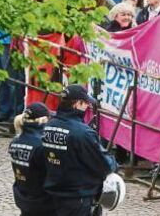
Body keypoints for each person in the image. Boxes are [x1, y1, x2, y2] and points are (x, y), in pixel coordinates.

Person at [43, 85, 118, 215]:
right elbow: (103, 163)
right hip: (77, 197)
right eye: (85, 103)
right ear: (77, 104)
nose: (87, 107)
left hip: (52, 194)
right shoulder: (82, 133)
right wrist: (113, 163)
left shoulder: (48, 126)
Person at [8, 102, 56, 216]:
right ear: (42, 121)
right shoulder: (41, 146)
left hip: (24, 199)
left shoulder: (15, 142)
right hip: (43, 203)